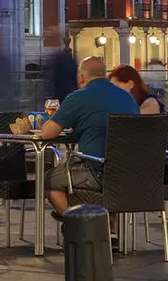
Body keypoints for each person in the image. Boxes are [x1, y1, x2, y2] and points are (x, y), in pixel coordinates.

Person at [38, 56, 138, 216]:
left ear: (81, 77)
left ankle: (78, 226)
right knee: (71, 178)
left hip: (96, 171)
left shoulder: (79, 96)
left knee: (48, 180)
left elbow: (47, 133)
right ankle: (108, 227)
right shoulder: (127, 97)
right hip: (129, 173)